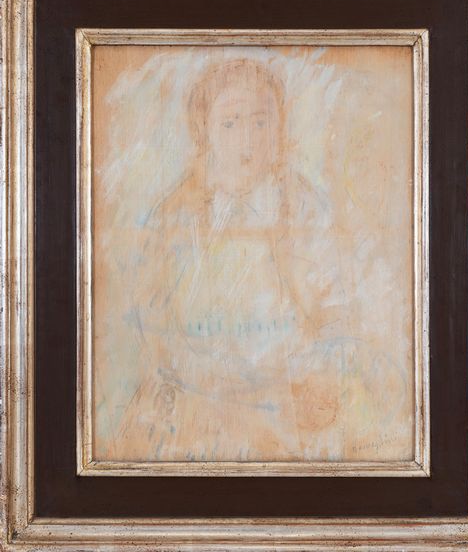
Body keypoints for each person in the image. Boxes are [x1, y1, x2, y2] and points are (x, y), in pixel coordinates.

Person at [107, 58, 400, 463]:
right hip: (197, 395)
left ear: (279, 128)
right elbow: (152, 312)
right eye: (230, 123)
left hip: (287, 397)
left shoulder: (304, 208)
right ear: (203, 132)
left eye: (261, 122)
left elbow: (334, 305)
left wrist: (315, 370)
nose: (248, 139)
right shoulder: (176, 214)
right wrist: (196, 370)